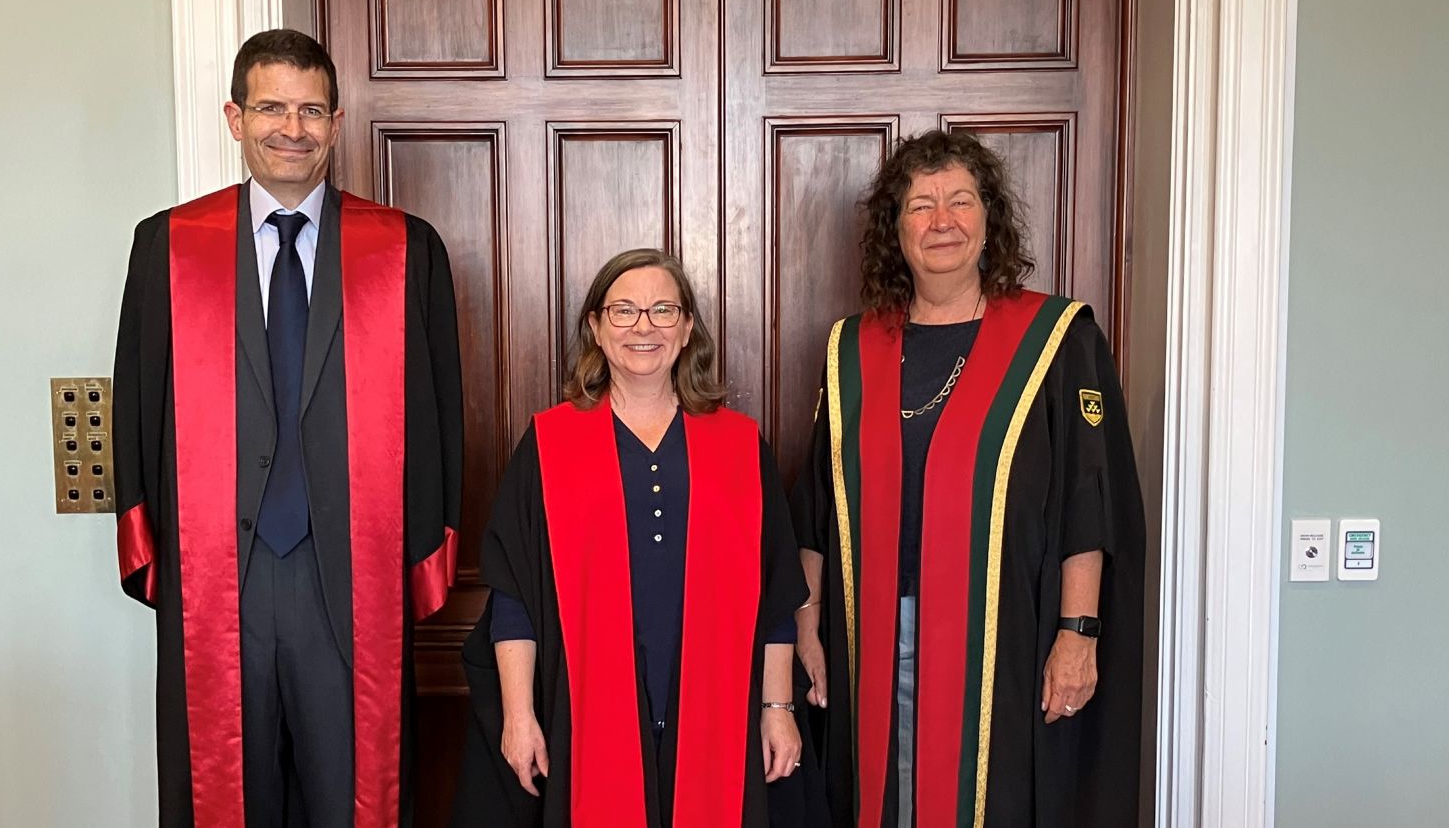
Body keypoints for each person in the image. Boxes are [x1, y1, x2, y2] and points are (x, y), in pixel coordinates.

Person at [111, 28, 463, 827]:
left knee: (356, 795)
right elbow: (137, 405)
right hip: (216, 573)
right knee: (229, 797)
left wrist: (423, 559)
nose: (291, 130)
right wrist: (147, 548)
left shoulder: (406, 250)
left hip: (354, 575)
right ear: (234, 117)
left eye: (310, 111)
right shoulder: (168, 247)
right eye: (271, 107)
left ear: (337, 123)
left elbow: (441, 420)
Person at [791, 130, 1145, 827]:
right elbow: (816, 510)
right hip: (873, 635)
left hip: (1004, 634)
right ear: (896, 231)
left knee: (993, 798)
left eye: (960, 201)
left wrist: (1079, 632)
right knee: (884, 800)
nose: (942, 221)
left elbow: (1087, 496)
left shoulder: (1054, 338)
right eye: (920, 206)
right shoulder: (853, 348)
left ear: (990, 218)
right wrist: (808, 626)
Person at [451, 249, 817, 827]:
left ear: (688, 326)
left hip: (717, 709)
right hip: (584, 709)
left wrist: (776, 707)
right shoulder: (550, 444)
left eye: (662, 310)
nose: (643, 326)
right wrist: (518, 715)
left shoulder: (739, 446)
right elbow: (513, 598)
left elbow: (773, 598)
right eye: (623, 310)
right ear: (595, 327)